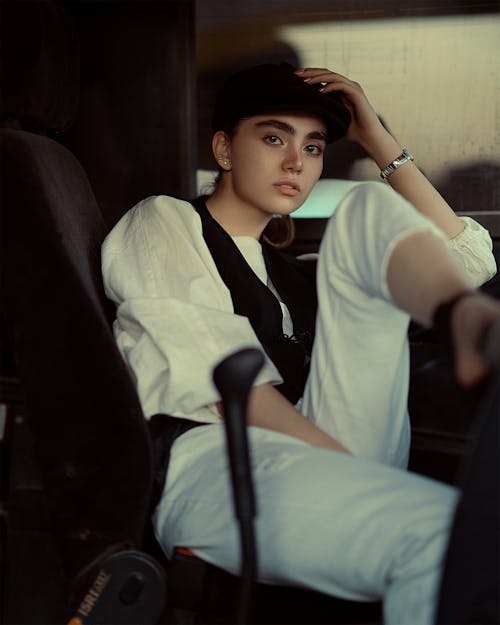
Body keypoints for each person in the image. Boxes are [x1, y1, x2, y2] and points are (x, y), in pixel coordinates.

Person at [102, 63, 499, 625]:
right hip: (216, 463)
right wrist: (366, 480)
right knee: (453, 539)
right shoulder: (165, 220)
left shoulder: (295, 273)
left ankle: (464, 320)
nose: (296, 162)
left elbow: (468, 260)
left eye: (314, 148)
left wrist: (375, 139)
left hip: (311, 453)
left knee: (366, 210)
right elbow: (220, 382)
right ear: (224, 148)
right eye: (272, 138)